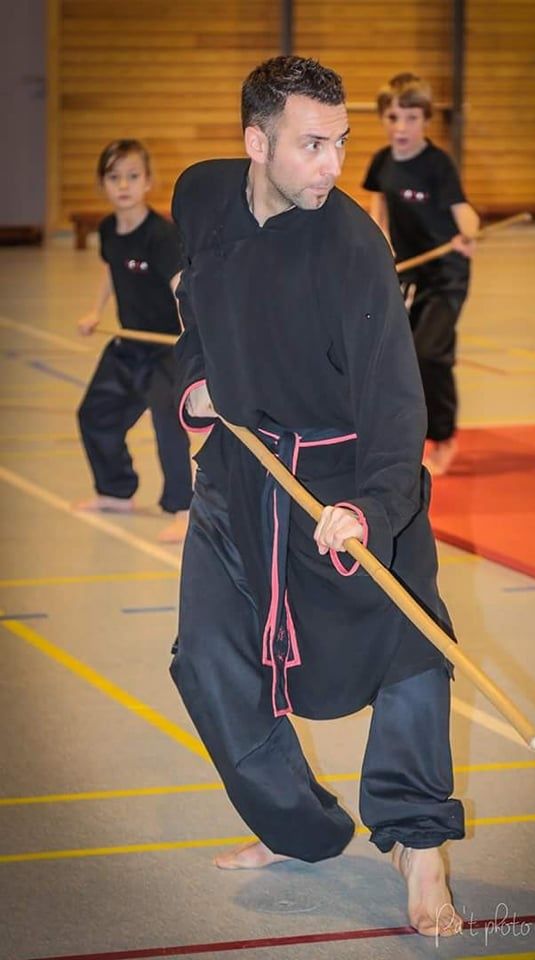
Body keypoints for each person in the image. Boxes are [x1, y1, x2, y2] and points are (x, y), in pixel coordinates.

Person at [170, 57, 465, 937]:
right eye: (311, 145)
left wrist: (370, 508)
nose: (334, 165)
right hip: (238, 476)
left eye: (341, 143)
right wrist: (196, 385)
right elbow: (191, 304)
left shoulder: (351, 248)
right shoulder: (200, 197)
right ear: (254, 142)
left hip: (345, 479)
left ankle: (420, 845)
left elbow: (394, 402)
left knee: (409, 654)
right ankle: (297, 826)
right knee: (210, 658)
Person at [75, 139, 192, 542]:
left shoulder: (161, 236)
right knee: (95, 414)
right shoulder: (108, 229)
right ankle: (115, 490)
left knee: (168, 425)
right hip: (127, 345)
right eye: (113, 177)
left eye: (132, 176)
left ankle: (183, 508)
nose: (123, 185)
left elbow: (182, 287)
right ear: (102, 184)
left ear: (148, 182)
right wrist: (96, 311)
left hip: (165, 348)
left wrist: (191, 339)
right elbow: (112, 270)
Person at [363, 73, 480, 476]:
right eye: (394, 117)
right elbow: (377, 212)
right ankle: (404, 436)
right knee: (397, 357)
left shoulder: (437, 165)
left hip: (446, 275)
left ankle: (444, 437)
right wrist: (378, 251)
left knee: (430, 353)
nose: (402, 128)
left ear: (425, 120)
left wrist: (469, 232)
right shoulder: (381, 162)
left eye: (411, 118)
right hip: (406, 272)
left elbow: (463, 210)